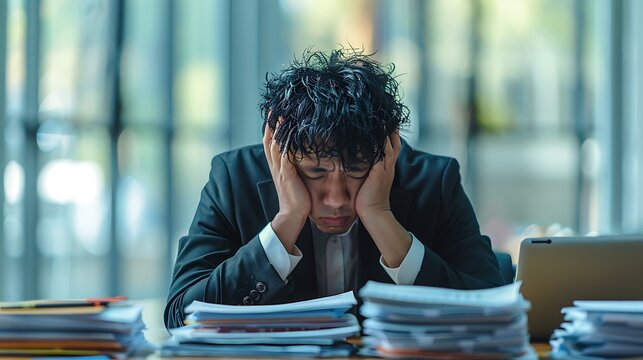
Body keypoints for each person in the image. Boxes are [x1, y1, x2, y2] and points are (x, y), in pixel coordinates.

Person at [164, 48, 504, 329]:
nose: (337, 199)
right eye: (315, 172)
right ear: (279, 152)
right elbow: (181, 315)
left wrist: (380, 216)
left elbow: (491, 310)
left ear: (390, 148)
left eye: (357, 169)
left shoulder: (434, 182)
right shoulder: (233, 180)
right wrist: (286, 221)